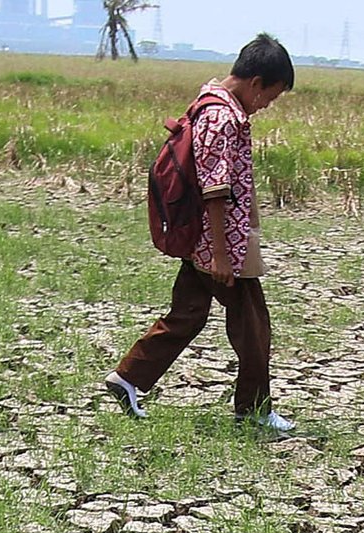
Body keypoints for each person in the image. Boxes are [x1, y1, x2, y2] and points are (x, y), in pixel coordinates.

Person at [104, 33, 296, 431]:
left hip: (207, 242)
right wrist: (223, 255)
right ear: (256, 82)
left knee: (188, 314)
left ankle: (129, 378)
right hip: (219, 244)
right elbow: (215, 189)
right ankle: (254, 408)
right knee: (254, 325)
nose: (265, 106)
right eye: (270, 97)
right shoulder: (222, 117)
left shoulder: (208, 101)